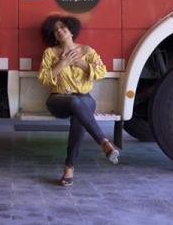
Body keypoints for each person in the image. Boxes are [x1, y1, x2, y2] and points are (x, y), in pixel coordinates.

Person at [37, 14, 119, 186]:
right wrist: (63, 63)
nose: (59, 31)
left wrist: (80, 63)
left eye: (62, 27)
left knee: (79, 114)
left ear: (71, 30)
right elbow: (44, 78)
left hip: (84, 97)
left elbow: (101, 71)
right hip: (58, 99)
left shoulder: (87, 51)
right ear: (53, 36)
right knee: (75, 103)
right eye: (56, 30)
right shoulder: (50, 53)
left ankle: (69, 167)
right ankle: (103, 141)